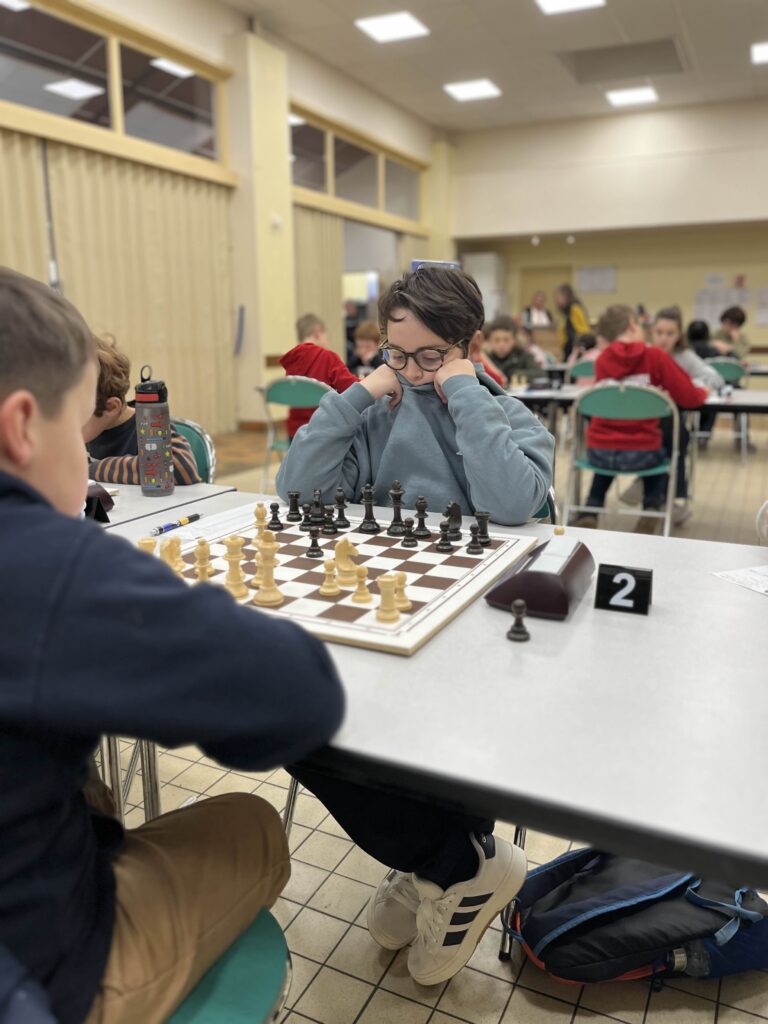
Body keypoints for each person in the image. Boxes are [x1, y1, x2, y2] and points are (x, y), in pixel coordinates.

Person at [0, 267, 345, 1023]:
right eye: (73, 432)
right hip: (37, 974)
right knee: (252, 825)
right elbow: (302, 695)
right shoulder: (46, 567)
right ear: (21, 426)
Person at [276, 265, 554, 527]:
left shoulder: (510, 415)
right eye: (397, 355)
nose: (411, 372)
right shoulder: (373, 415)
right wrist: (357, 394)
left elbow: (511, 506)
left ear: (474, 344)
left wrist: (467, 393)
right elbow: (298, 492)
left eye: (430, 357)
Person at [573, 304, 708, 532]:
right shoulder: (655, 356)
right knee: (658, 448)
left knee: (612, 440)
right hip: (643, 454)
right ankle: (652, 507)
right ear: (632, 325)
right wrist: (704, 392)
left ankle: (590, 509)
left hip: (599, 453)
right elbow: (689, 397)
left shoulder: (603, 359)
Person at [622, 307, 724, 522]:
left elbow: (714, 377)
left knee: (674, 432)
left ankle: (646, 484)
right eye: (659, 332)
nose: (664, 338)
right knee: (677, 436)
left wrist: (686, 384)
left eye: (670, 333)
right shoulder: (642, 353)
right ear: (651, 332)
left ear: (679, 335)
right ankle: (667, 498)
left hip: (667, 424)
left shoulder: (685, 357)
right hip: (637, 424)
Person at [82, 336, 201, 486]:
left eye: (77, 417)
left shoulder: (150, 424)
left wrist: (87, 470)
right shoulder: (88, 431)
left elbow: (180, 467)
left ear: (110, 407)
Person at [280, 313, 345, 440]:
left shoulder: (291, 360)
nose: (327, 341)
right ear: (318, 333)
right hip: (324, 430)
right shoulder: (328, 357)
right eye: (326, 336)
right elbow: (350, 387)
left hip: (294, 433)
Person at [484, 315, 539, 387]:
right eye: (496, 340)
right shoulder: (485, 359)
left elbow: (540, 374)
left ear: (514, 340)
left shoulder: (524, 356)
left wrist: (513, 374)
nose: (501, 344)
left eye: (506, 340)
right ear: (489, 341)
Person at [555, 283, 590, 360]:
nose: (556, 300)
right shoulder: (565, 312)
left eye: (558, 296)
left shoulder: (574, 309)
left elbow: (583, 331)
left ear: (565, 296)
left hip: (576, 348)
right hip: (568, 347)